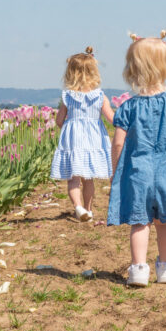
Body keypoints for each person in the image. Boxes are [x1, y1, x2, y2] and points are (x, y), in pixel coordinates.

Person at [108, 31, 166, 287]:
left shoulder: (128, 106)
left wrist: (116, 169)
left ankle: (138, 270)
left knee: (140, 221)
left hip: (138, 171)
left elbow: (117, 142)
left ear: (132, 70)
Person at [50, 46, 114, 221]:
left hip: (73, 139)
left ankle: (78, 208)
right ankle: (88, 209)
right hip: (94, 140)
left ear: (70, 73)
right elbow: (112, 119)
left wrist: (68, 127)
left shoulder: (68, 96)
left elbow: (59, 121)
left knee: (73, 178)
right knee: (89, 178)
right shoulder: (100, 96)